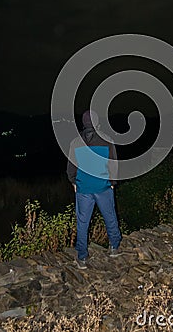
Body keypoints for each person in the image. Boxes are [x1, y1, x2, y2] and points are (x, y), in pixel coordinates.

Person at [67, 110, 122, 269]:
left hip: (83, 187)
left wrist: (73, 182)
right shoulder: (107, 140)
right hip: (103, 186)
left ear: (83, 124)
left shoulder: (76, 142)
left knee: (82, 222)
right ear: (97, 123)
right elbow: (113, 163)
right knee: (110, 216)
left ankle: (82, 257)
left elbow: (71, 167)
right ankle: (114, 247)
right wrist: (112, 182)